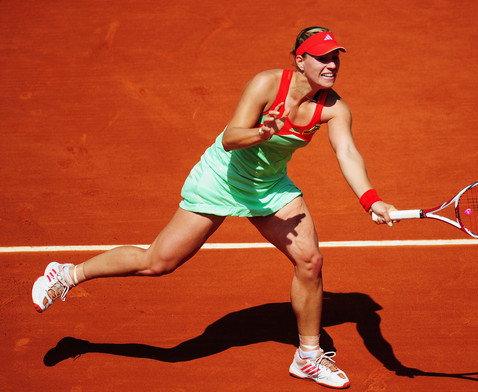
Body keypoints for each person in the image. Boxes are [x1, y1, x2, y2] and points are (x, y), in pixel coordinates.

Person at [32, 26, 397, 389]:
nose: (331, 64)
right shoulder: (266, 84)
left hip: (268, 188)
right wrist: (263, 133)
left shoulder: (334, 108)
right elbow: (231, 138)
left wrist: (371, 200)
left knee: (310, 261)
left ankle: (308, 356)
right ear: (300, 60)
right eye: (322, 57)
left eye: (335, 57)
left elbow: (347, 153)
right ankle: (65, 275)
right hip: (220, 178)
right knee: (157, 263)